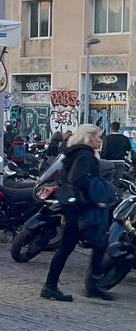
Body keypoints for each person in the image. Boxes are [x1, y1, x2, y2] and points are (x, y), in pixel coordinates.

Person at [42, 124, 115, 302]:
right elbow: (78, 180)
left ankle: (56, 286)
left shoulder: (74, 153)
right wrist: (94, 195)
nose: (100, 140)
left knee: (74, 247)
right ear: (89, 137)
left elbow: (67, 180)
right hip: (82, 209)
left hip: (74, 208)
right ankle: (54, 287)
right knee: (97, 243)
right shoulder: (84, 155)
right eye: (98, 136)